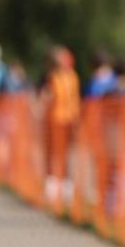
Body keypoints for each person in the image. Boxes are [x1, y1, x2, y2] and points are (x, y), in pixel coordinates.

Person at [40, 45, 80, 206]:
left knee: (65, 155)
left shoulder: (69, 77)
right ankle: (54, 188)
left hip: (65, 120)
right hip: (56, 120)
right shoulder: (55, 77)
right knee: (55, 154)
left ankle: (65, 189)